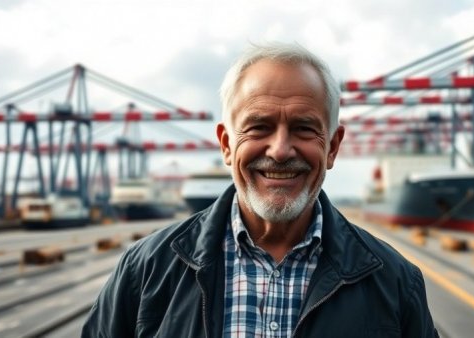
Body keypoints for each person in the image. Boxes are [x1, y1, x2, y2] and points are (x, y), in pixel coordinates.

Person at [82, 42, 438, 337]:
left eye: (302, 128)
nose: (280, 150)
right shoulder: (143, 271)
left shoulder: (396, 283)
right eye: (259, 127)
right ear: (226, 145)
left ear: (332, 147)